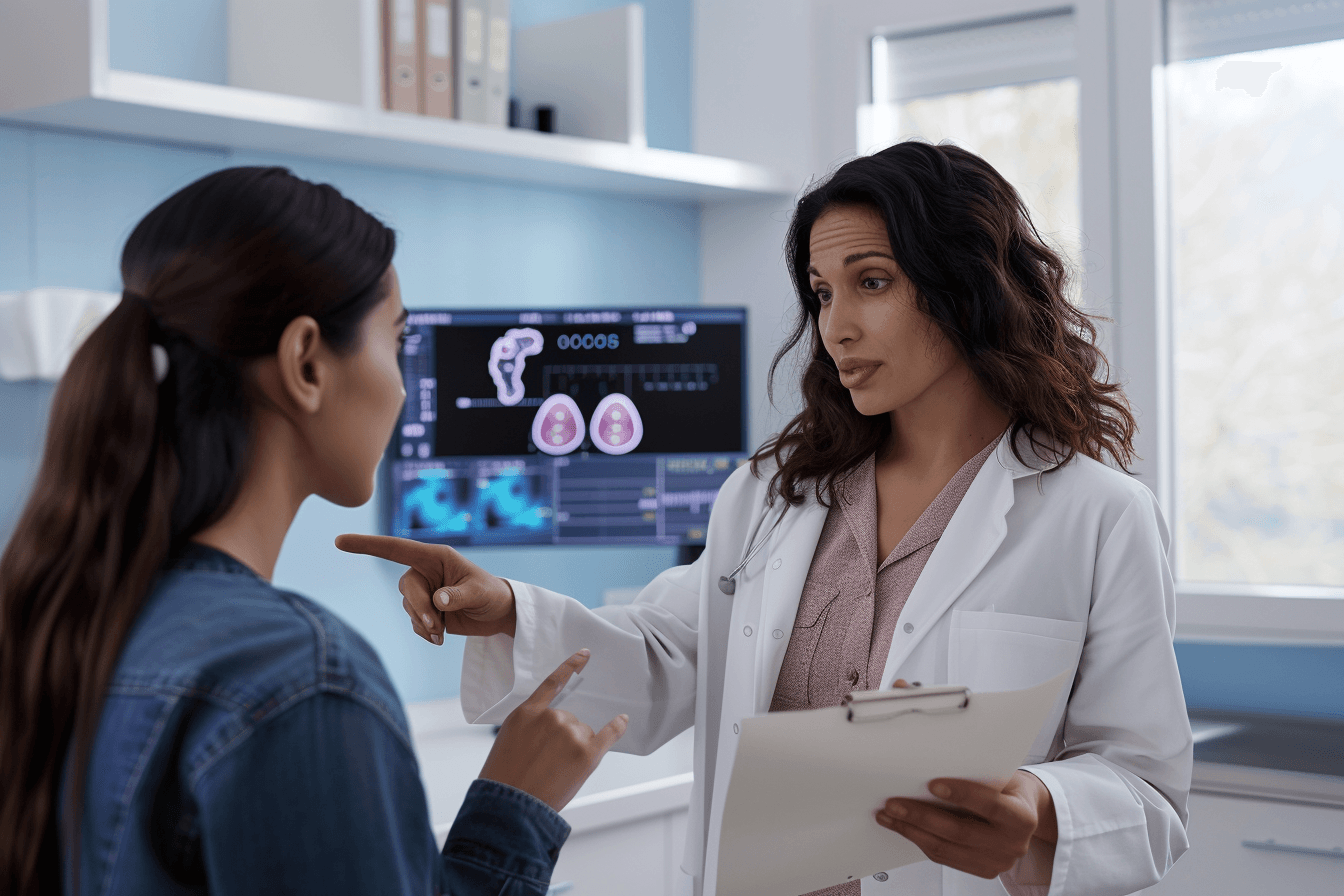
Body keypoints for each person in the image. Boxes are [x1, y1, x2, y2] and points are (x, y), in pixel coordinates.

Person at [342, 142, 1194, 896]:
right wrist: (509, 611)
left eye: (872, 283)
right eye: (822, 293)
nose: (837, 327)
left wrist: (1041, 808)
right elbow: (671, 655)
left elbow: (1149, 793)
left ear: (967, 287)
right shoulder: (775, 495)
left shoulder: (1098, 517)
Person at [0, 166, 628, 896]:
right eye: (397, 341)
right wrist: (514, 808)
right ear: (306, 363)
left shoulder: (64, 617)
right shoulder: (304, 678)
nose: (403, 388)